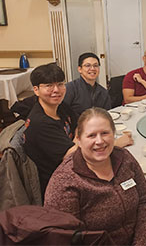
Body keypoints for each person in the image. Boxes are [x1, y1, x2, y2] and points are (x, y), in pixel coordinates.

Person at [44, 107, 146, 245]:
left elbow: (144, 200)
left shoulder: (125, 158)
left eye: (105, 133)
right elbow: (65, 239)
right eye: (91, 135)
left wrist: (140, 242)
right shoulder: (65, 181)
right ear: (78, 140)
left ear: (114, 134)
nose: (99, 141)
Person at [23, 63, 133, 196]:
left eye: (60, 84)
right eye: (48, 86)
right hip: (61, 181)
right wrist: (115, 144)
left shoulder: (60, 106)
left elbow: (80, 126)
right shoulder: (40, 123)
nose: (56, 90)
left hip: (76, 165)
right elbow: (71, 156)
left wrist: (77, 142)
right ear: (36, 90)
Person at [63, 52, 111, 116]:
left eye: (95, 65)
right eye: (88, 65)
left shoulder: (103, 92)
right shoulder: (70, 89)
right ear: (80, 69)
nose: (92, 69)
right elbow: (62, 114)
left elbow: (107, 114)